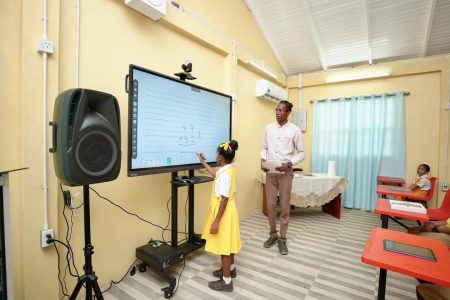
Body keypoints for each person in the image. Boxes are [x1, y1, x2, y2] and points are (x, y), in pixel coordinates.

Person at [261, 100, 305, 255]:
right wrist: (262, 160)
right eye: (276, 109)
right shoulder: (268, 128)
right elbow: (264, 147)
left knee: (285, 207)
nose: (277, 112)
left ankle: (283, 239)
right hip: (271, 172)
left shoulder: (295, 130)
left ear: (288, 112)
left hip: (286, 173)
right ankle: (273, 235)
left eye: (281, 110)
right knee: (271, 205)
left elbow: (301, 153)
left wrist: (289, 163)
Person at [197, 140, 241, 292]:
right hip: (230, 211)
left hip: (223, 212)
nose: (215, 156)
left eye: (216, 154)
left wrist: (216, 222)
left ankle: (226, 282)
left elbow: (224, 199)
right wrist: (203, 162)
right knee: (229, 242)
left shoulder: (224, 176)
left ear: (220, 158)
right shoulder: (228, 170)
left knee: (224, 247)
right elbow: (215, 173)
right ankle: (230, 269)